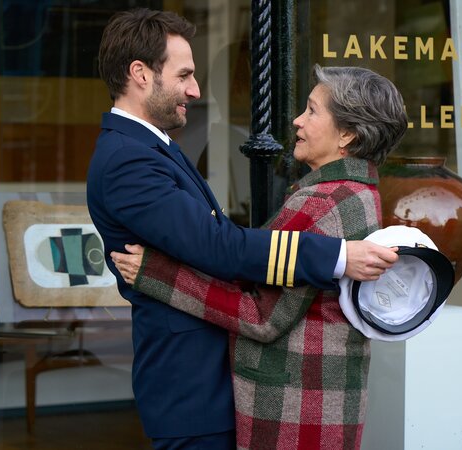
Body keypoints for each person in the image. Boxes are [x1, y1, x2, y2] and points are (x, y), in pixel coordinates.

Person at [86, 8, 397, 449]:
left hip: (209, 386)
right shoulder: (128, 159)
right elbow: (219, 248)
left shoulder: (149, 146)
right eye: (184, 75)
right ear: (140, 74)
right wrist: (339, 256)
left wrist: (156, 272)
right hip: (191, 389)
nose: (195, 89)